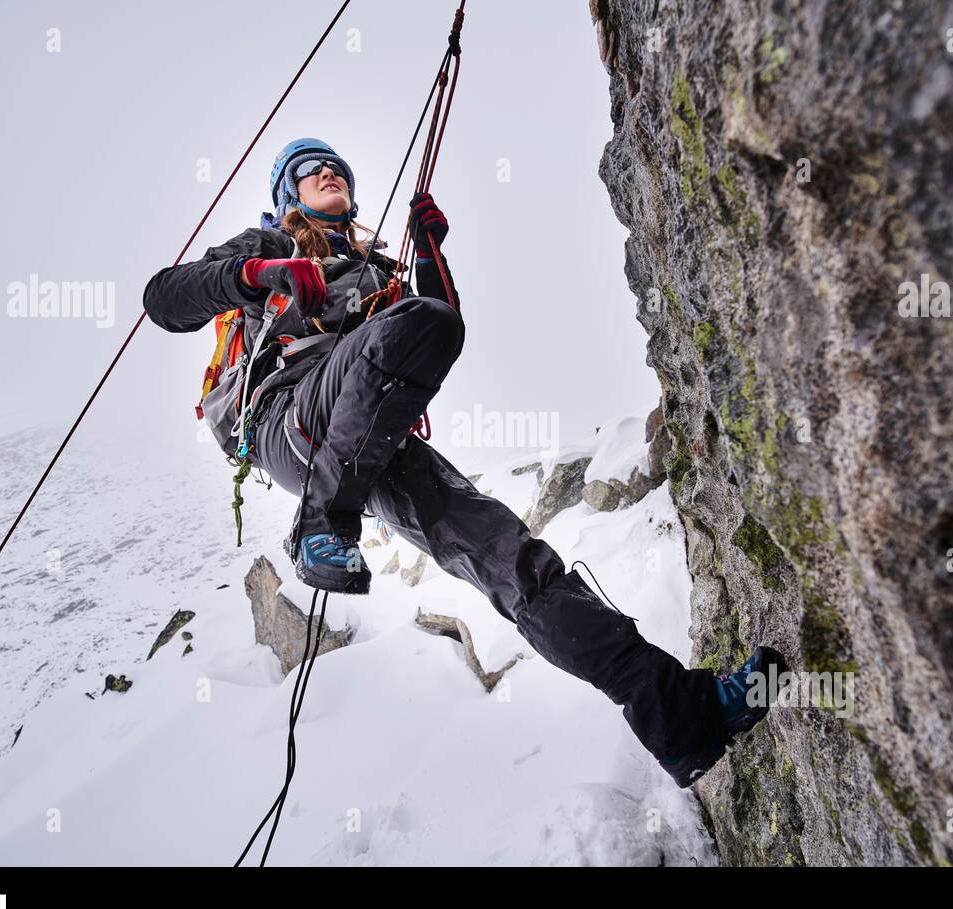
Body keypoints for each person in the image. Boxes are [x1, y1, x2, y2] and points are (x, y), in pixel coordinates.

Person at [143, 137, 789, 788]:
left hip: (369, 437)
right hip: (290, 418)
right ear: (288, 194)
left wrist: (428, 249)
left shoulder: (372, 270)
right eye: (311, 169)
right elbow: (165, 299)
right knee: (417, 327)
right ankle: (321, 522)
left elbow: (433, 323)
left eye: (337, 165)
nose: (329, 170)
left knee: (518, 564)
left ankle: (679, 715)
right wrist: (262, 274)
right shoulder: (265, 248)